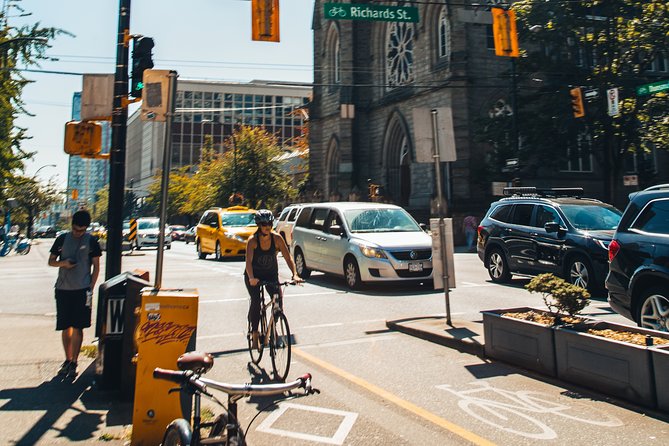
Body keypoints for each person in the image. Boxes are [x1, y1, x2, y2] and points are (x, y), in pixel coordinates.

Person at [48, 210, 102, 378]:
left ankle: (75, 361)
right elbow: (51, 261)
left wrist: (90, 287)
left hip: (82, 290)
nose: (78, 233)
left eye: (82, 230)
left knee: (78, 327)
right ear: (71, 225)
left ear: (86, 228)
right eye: (76, 229)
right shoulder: (62, 239)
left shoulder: (92, 241)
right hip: (63, 289)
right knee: (65, 326)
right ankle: (67, 359)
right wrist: (63, 263)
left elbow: (96, 266)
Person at [244, 209, 302, 349]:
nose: (267, 226)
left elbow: (288, 257)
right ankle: (255, 332)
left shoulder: (276, 238)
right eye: (264, 224)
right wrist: (251, 278)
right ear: (259, 225)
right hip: (254, 275)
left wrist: (294, 273)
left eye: (269, 223)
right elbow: (248, 263)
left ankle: (273, 328)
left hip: (270, 274)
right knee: (256, 301)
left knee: (278, 301)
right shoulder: (252, 241)